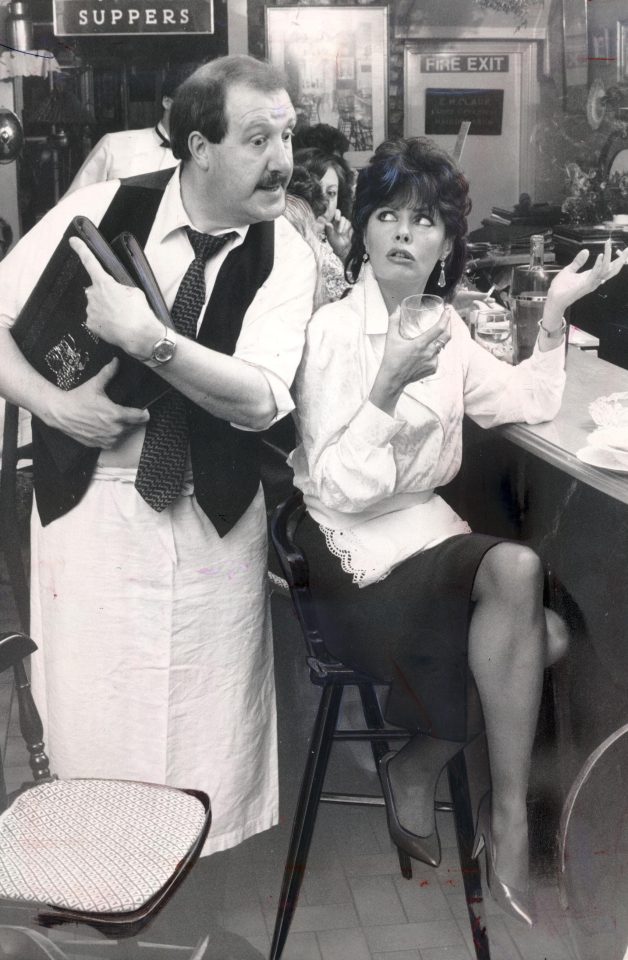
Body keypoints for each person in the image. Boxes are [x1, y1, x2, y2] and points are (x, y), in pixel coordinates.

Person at [289, 137, 628, 923]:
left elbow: (521, 401)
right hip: (349, 558)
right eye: (387, 216)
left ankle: (428, 769)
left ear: (446, 245)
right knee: (518, 579)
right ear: (363, 231)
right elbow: (338, 486)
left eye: (425, 220)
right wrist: (385, 387)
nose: (404, 233)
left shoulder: (445, 327)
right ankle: (500, 819)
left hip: (427, 538)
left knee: (549, 633)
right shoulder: (333, 333)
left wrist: (555, 315)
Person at [0, 55, 316, 856]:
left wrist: (151, 340)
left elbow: (260, 399)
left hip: (211, 516)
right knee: (94, 712)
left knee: (201, 720)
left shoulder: (286, 253)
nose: (282, 160)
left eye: (287, 136)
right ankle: (95, 864)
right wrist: (53, 405)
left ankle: (186, 864)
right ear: (199, 147)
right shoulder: (102, 209)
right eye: (258, 139)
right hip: (89, 509)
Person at [65, 66, 193, 194]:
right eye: (191, 103)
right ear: (167, 102)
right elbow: (73, 201)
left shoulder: (202, 158)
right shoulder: (113, 145)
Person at [293, 147, 353, 300]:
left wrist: (344, 253)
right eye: (316, 190)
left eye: (331, 193)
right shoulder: (289, 243)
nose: (324, 203)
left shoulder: (334, 239)